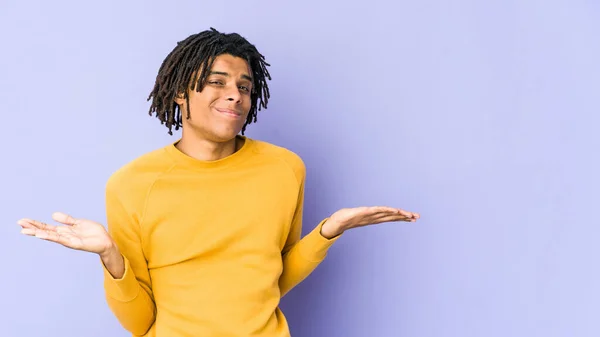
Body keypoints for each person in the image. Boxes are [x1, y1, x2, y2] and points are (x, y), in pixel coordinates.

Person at [18, 28, 420, 337]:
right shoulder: (132, 184)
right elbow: (140, 323)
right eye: (218, 82)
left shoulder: (284, 168)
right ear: (179, 92)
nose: (235, 96)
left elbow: (270, 282)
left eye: (244, 87)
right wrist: (110, 257)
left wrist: (328, 231)